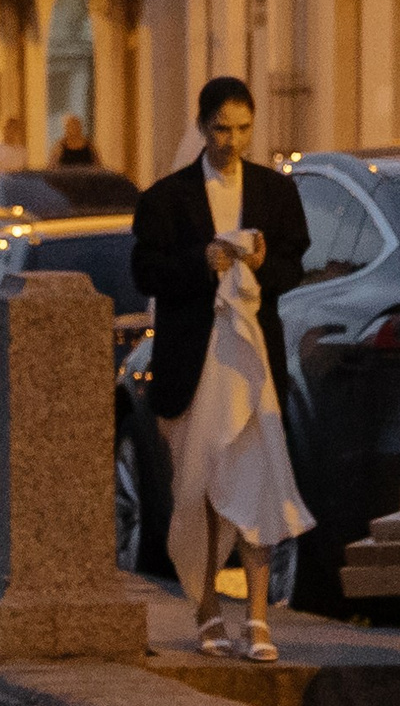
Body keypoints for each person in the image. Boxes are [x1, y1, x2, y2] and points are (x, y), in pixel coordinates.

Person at [128, 75, 313, 659]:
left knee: (257, 478)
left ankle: (257, 617)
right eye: (221, 129)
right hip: (192, 361)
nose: (233, 141)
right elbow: (144, 272)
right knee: (200, 486)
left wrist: (259, 265)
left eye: (243, 128)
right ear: (202, 128)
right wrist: (200, 261)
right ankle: (207, 609)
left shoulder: (276, 192)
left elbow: (293, 268)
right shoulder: (166, 197)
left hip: (251, 360)